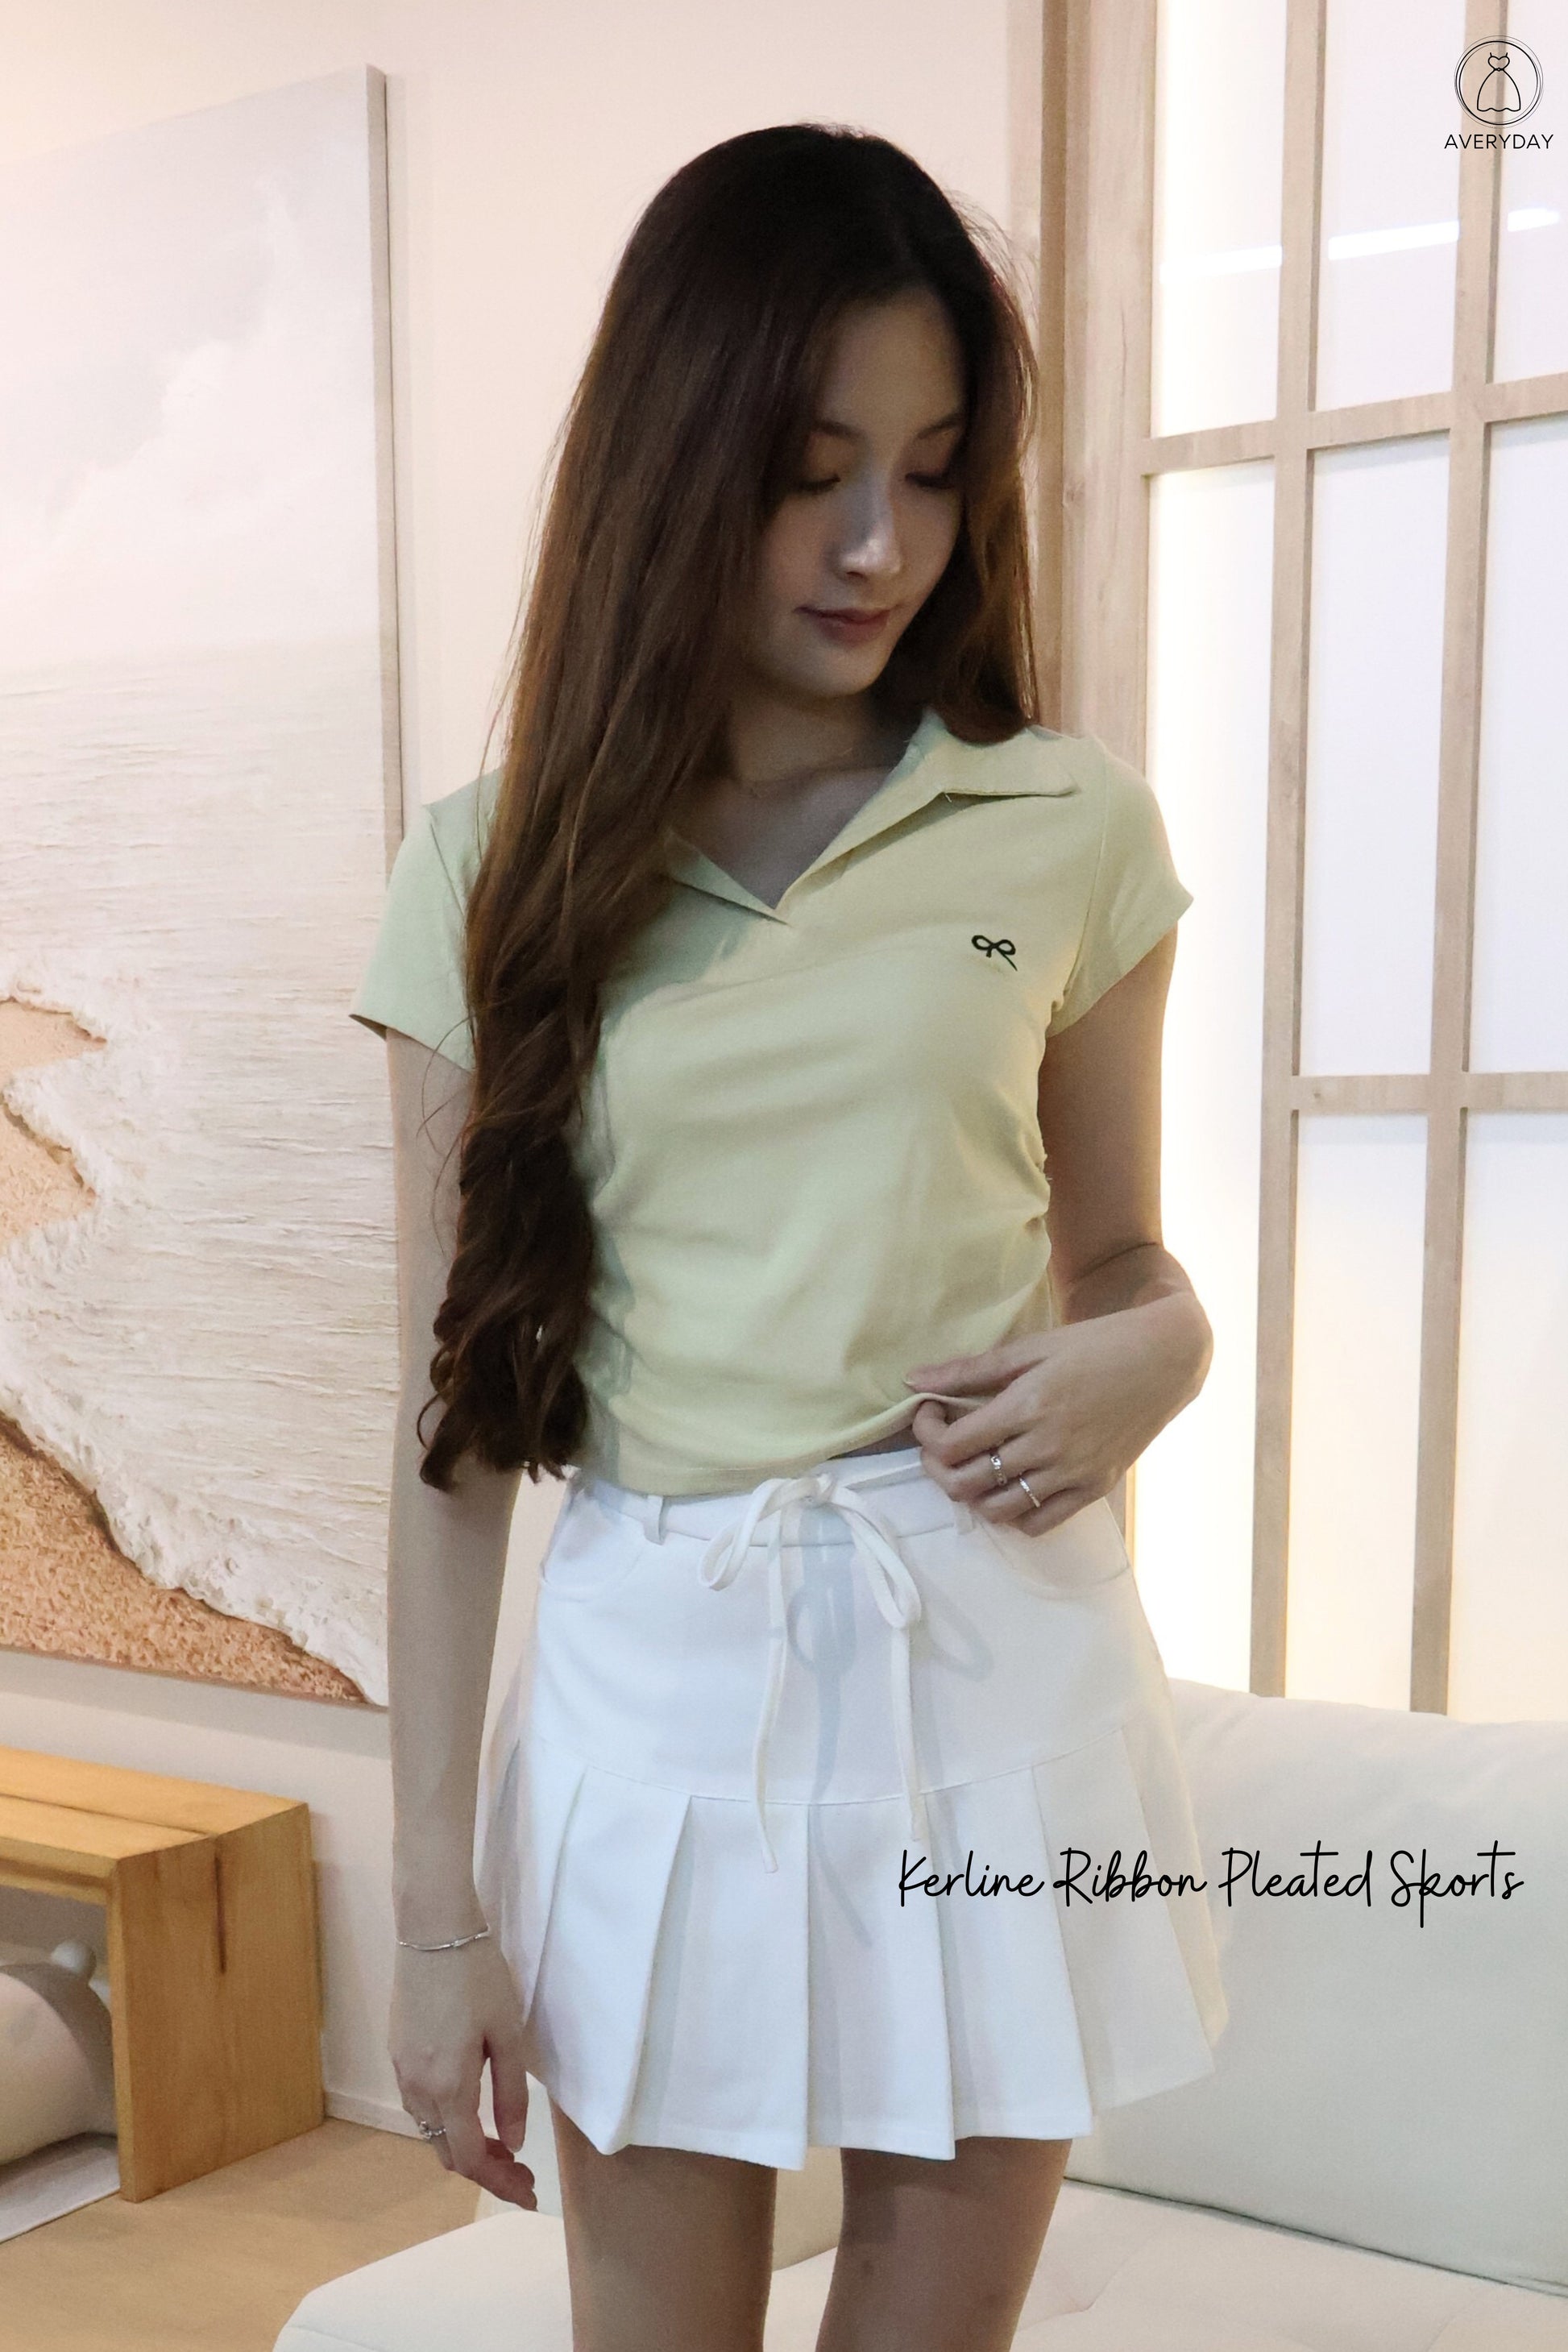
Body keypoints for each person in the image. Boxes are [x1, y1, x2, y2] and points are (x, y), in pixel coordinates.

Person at [350, 122, 1226, 2352]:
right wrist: (435, 1919)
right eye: (811, 471)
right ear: (672, 465)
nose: (879, 547)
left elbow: (1123, 1263)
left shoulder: (1063, 824)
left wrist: (1164, 1348)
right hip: (656, 1680)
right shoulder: (485, 872)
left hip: (992, 1651)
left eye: (932, 474)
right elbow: (453, 1435)